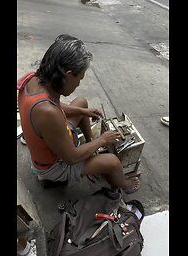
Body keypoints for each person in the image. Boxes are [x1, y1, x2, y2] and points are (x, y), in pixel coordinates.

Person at [17, 34, 140, 193]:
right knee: (112, 162)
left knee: (81, 102)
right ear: (68, 75)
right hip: (54, 166)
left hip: (52, 140)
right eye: (79, 79)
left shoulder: (33, 79)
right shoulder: (47, 112)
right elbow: (71, 158)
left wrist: (83, 112)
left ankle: (91, 147)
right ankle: (125, 185)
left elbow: (54, 106)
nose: (79, 83)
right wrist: (102, 140)